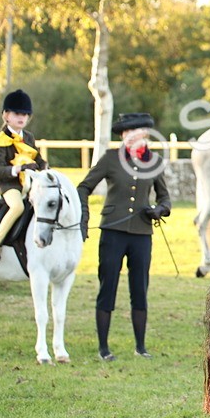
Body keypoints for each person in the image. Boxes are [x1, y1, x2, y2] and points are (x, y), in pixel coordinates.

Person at [77, 113, 172, 361]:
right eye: (130, 132)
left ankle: (140, 347)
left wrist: (159, 210)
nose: (136, 136)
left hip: (142, 233)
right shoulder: (110, 158)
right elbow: (83, 187)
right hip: (112, 232)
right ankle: (103, 348)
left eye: (140, 132)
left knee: (139, 289)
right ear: (123, 135)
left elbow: (165, 197)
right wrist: (84, 217)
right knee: (107, 287)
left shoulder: (154, 162)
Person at [0, 89, 47, 262]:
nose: (22, 117)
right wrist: (19, 169)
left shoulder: (28, 137)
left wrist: (44, 167)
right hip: (10, 185)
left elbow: (38, 158)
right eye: (17, 114)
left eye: (25, 114)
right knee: (18, 207)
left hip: (30, 183)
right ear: (6, 115)